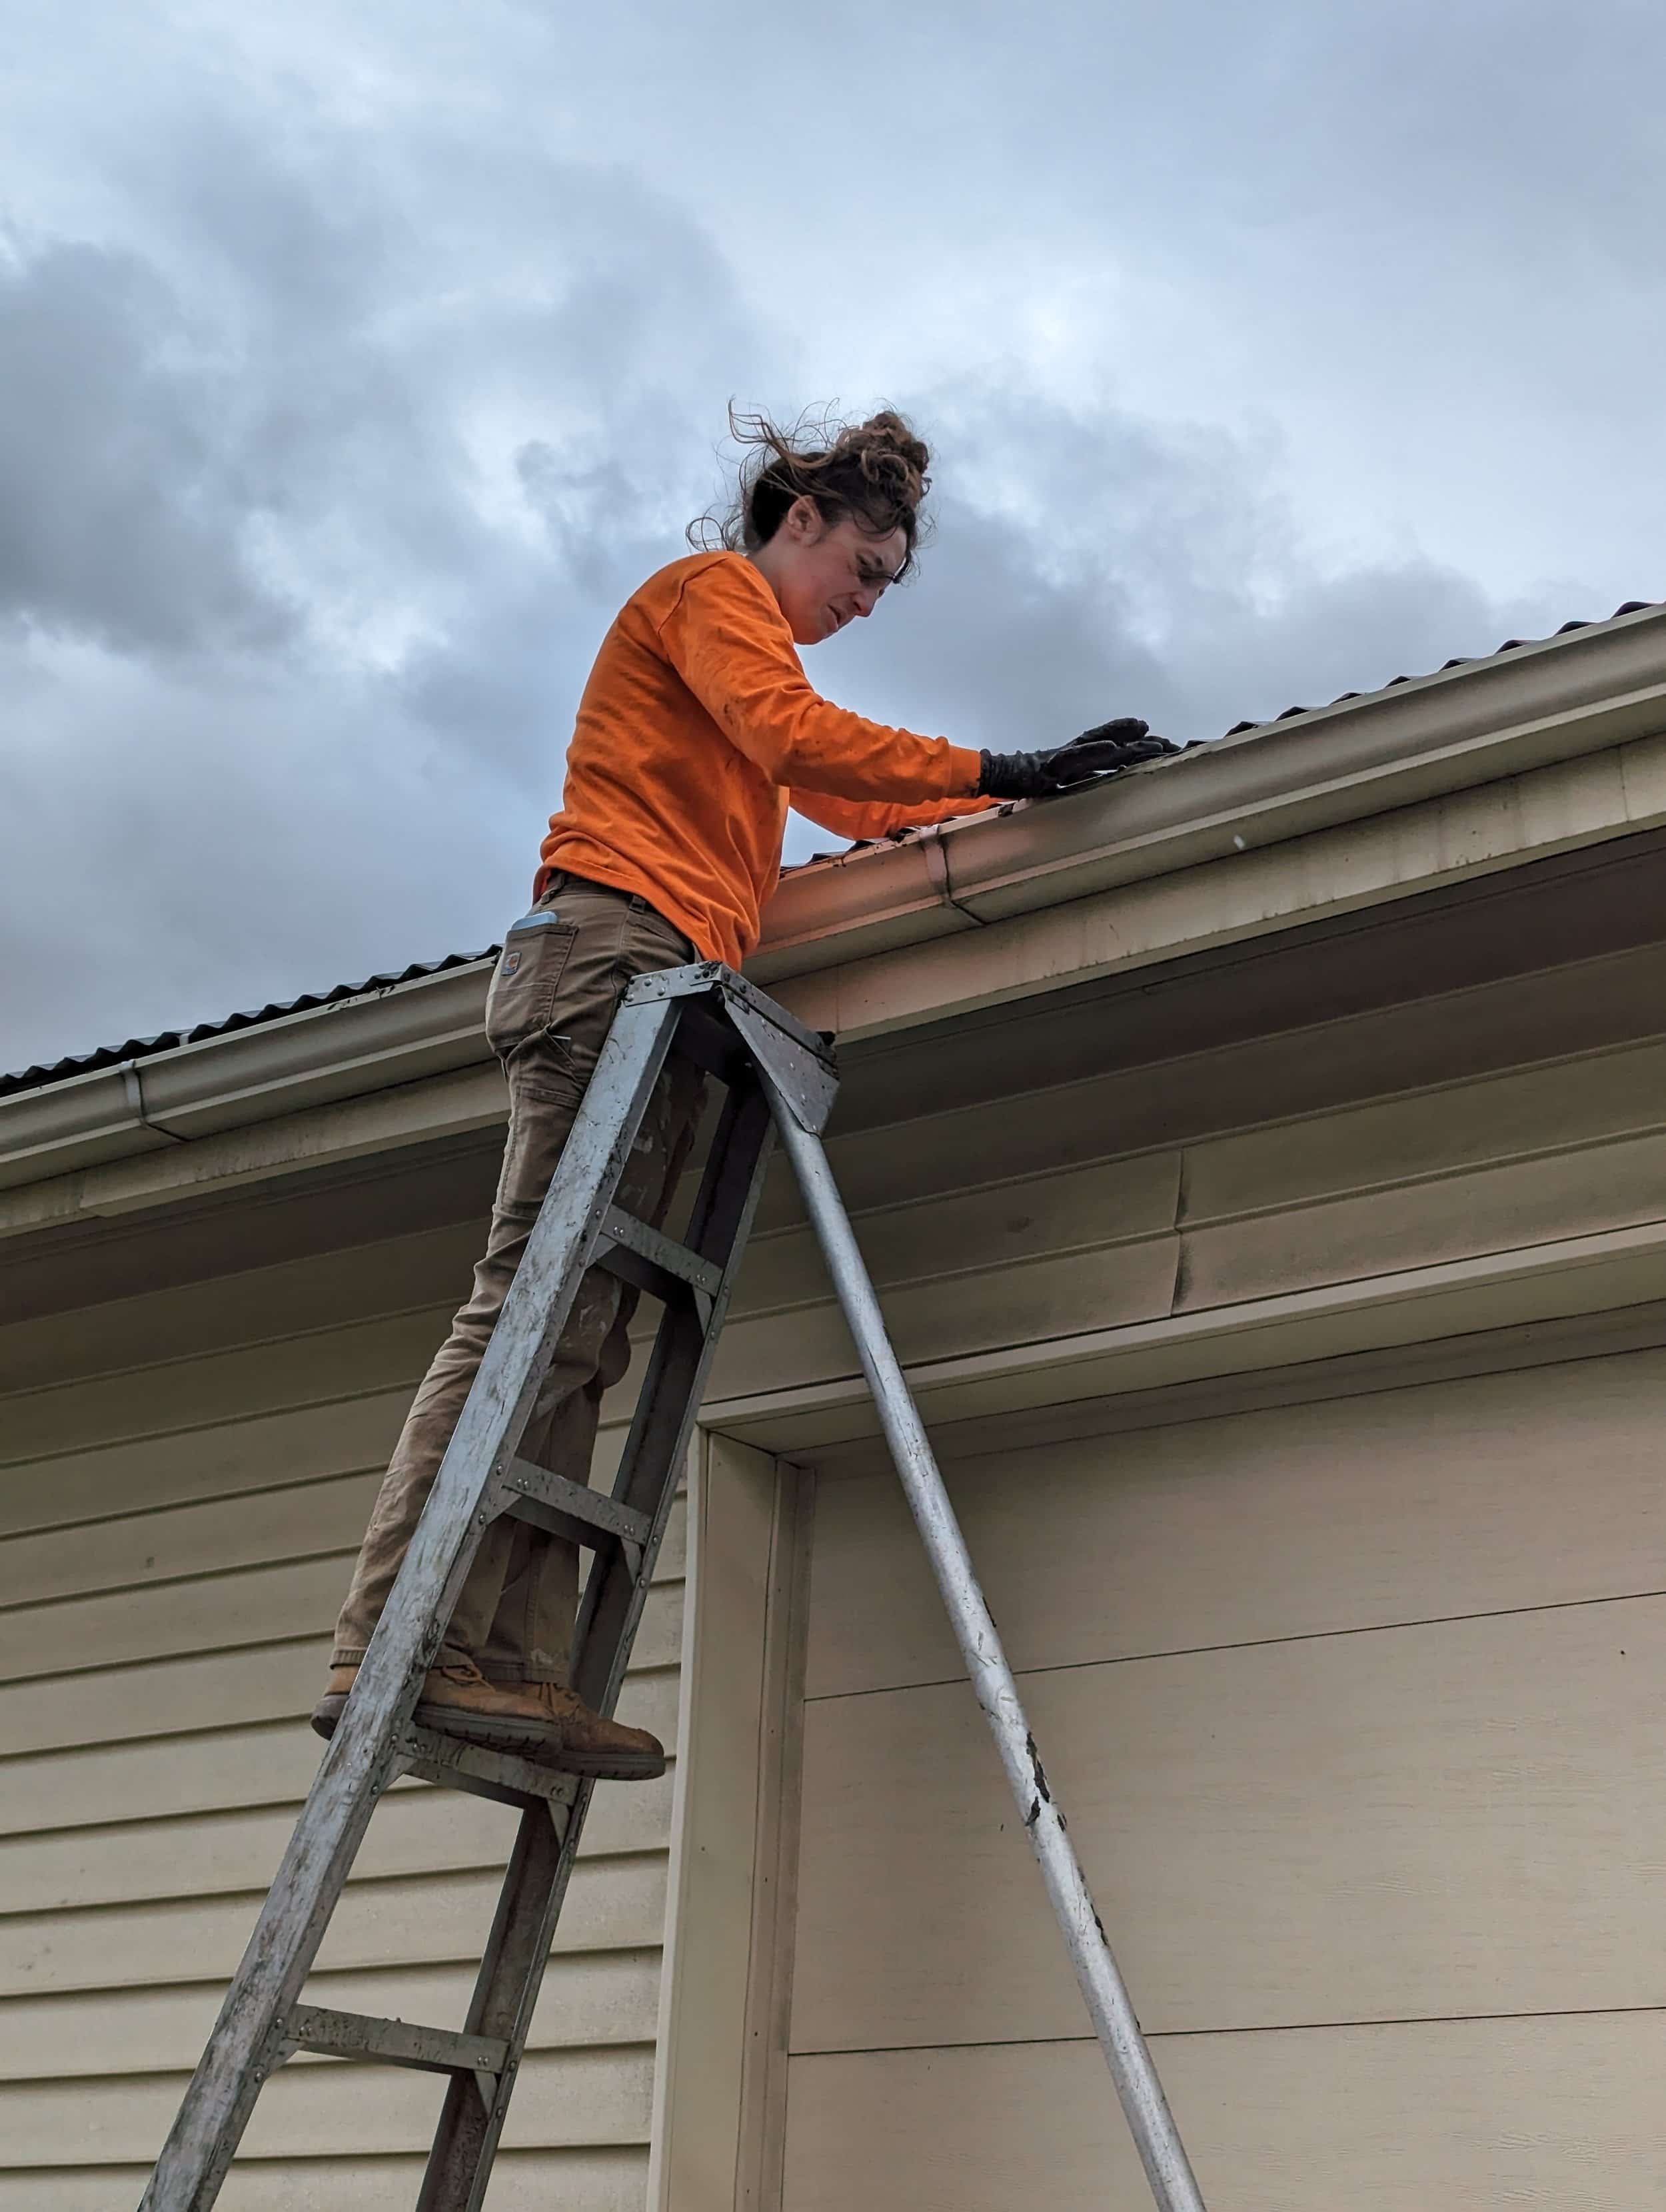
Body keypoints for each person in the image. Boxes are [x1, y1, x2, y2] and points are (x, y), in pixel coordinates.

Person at [311, 407, 1170, 1780]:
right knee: (531, 1300)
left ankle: (500, 1662)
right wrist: (993, 765)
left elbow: (856, 802)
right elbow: (796, 735)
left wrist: (1025, 804)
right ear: (797, 516)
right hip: (609, 951)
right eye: (862, 565)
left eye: (889, 584)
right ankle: (394, 1639)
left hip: (662, 975)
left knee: (583, 1328)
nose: (866, 597)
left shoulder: (747, 685)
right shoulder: (709, 598)